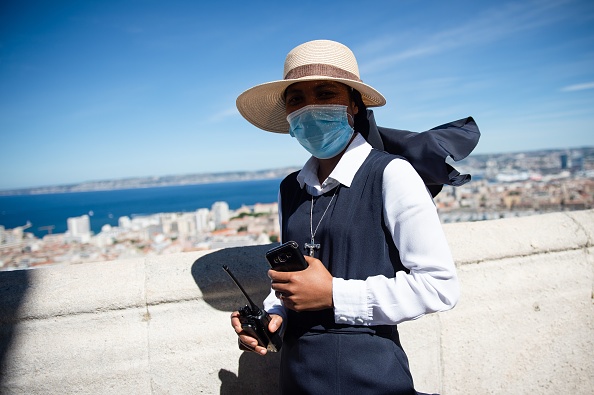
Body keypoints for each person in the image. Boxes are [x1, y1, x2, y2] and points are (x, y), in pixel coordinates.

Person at [231, 39, 479, 395]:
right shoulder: (290, 188)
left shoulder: (392, 174)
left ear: (354, 104)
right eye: (296, 99)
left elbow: (439, 287)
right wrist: (274, 316)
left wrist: (334, 294)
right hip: (296, 378)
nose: (309, 107)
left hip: (370, 378)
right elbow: (293, 279)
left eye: (325, 92)